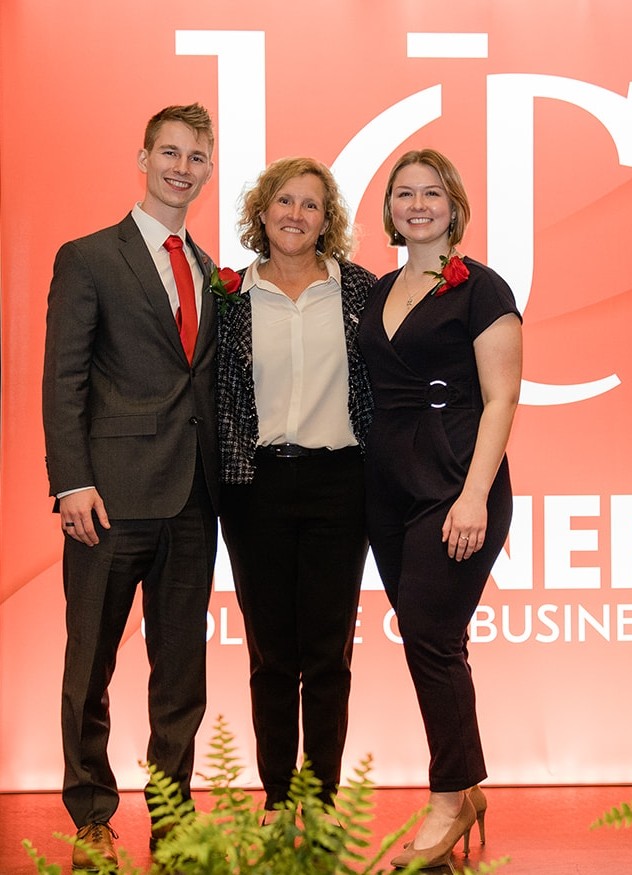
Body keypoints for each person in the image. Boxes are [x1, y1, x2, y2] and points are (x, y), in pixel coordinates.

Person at [41, 103, 219, 869]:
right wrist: (71, 481)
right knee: (92, 662)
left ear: (209, 169)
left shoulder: (211, 268)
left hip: (193, 498)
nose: (183, 167)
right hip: (107, 498)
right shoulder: (88, 257)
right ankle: (91, 814)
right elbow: (64, 378)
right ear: (141, 157)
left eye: (197, 156)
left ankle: (174, 815)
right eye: (170, 152)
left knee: (182, 669)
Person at [357, 149, 523, 869]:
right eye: (404, 193)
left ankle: (449, 799)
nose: (417, 204)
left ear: (453, 206)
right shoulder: (376, 288)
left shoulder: (482, 288)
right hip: (385, 489)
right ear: (389, 207)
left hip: (456, 485)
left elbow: (502, 397)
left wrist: (475, 495)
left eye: (431, 193)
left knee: (430, 634)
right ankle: (466, 785)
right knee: (432, 640)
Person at [217, 157, 375, 815]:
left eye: (311, 205)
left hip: (342, 482)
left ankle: (324, 799)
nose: (296, 215)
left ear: (326, 220)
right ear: (262, 212)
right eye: (285, 200)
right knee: (272, 653)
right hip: (256, 486)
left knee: (329, 652)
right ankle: (280, 799)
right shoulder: (228, 296)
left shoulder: (360, 289)